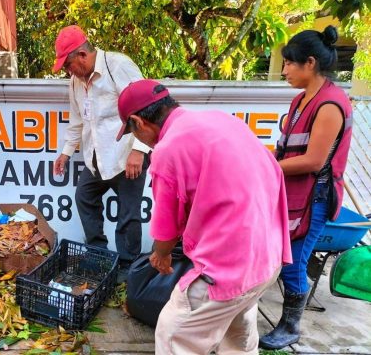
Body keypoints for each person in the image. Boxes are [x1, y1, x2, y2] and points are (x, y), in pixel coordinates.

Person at [116, 79, 292, 354]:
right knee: (237, 335)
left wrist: (160, 255)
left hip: (227, 269)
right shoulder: (222, 120)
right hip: (268, 258)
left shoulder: (168, 149)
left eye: (130, 132)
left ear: (138, 122)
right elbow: (273, 172)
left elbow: (166, 229)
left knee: (174, 332)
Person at [259, 26, 353, 350]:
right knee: (286, 254)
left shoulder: (329, 105)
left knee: (294, 259)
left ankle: (291, 326)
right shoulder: (302, 99)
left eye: (289, 63)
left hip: (315, 196)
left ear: (309, 63)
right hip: (294, 192)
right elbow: (289, 149)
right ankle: (288, 319)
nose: (284, 70)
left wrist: (266, 166)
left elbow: (314, 161)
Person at [52, 25, 150, 267]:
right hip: (96, 158)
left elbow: (145, 107)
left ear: (82, 56)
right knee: (84, 196)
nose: (67, 71)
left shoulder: (118, 66)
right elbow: (77, 121)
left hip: (126, 155)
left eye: (68, 65)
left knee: (128, 215)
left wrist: (139, 150)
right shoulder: (76, 81)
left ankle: (128, 269)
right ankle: (98, 256)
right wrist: (65, 153)